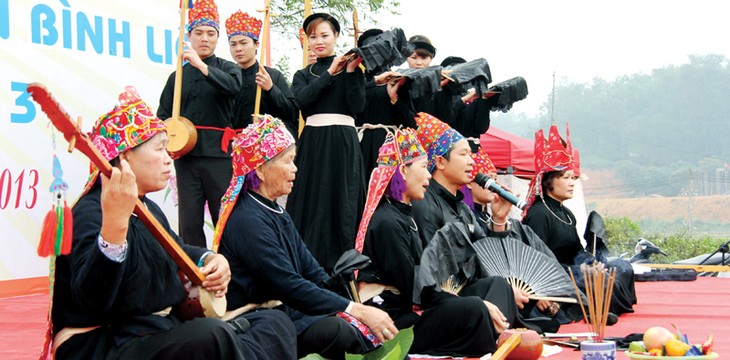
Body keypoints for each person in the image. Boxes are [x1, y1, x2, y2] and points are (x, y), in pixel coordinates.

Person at [50, 87, 296, 359]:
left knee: (272, 322)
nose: (170, 159)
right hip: (105, 343)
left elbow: (175, 250)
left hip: (151, 331)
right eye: (160, 149)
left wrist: (211, 259)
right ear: (125, 157)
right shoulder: (89, 213)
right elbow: (93, 300)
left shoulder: (148, 208)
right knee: (211, 337)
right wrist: (114, 229)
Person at [213, 115, 399, 359]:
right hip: (255, 318)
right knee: (337, 329)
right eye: (289, 161)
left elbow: (311, 270)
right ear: (260, 168)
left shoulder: (274, 209)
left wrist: (350, 305)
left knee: (356, 325)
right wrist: (354, 310)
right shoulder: (247, 219)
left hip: (283, 309)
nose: (295, 169)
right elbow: (287, 283)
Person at [356, 128, 500, 356]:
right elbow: (414, 286)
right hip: (391, 320)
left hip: (410, 307)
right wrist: (469, 301)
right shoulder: (387, 222)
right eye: (424, 168)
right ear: (403, 170)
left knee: (483, 298)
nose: (429, 176)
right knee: (472, 309)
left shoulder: (403, 215)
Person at [409, 112, 523, 338]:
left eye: (471, 155)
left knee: (499, 284)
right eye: (464, 154)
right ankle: (498, 336)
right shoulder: (425, 205)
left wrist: (498, 220)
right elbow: (431, 271)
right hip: (442, 298)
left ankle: (500, 334)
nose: (472, 161)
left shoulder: (462, 208)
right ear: (440, 162)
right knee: (494, 290)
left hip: (468, 290)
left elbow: (485, 257)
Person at [522, 124, 637, 318]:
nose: (572, 182)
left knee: (622, 267)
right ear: (549, 182)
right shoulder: (539, 214)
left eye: (573, 177)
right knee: (601, 281)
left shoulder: (566, 213)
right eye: (565, 177)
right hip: (557, 276)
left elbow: (576, 251)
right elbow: (532, 259)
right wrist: (576, 270)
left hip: (576, 270)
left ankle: (606, 301)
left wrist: (591, 262)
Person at [286, 13, 367, 272]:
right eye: (313, 36)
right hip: (313, 141)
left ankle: (345, 266)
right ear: (307, 40)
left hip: (343, 141)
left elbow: (358, 108)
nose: (319, 41)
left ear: (336, 37)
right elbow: (302, 101)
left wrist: (351, 72)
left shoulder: (353, 70)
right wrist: (330, 73)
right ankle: (305, 263)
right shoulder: (303, 74)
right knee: (310, 198)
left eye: (325, 35)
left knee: (342, 198)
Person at [157, 0, 241, 248]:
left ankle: (231, 275)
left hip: (219, 157)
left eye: (211, 34)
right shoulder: (177, 76)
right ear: (189, 36)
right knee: (189, 222)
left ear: (217, 38)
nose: (204, 38)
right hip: (187, 159)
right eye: (199, 33)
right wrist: (169, 135)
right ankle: (194, 274)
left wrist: (201, 66)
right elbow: (162, 114)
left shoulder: (229, 68)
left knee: (224, 219)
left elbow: (233, 88)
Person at [225, 10, 298, 137]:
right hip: (231, 143)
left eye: (243, 43)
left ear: (256, 44)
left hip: (265, 144)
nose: (238, 48)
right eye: (233, 44)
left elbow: (291, 113)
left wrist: (271, 89)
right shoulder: (225, 76)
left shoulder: (273, 75)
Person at [357, 28, 416, 179]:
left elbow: (410, 121)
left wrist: (394, 98)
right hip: (359, 143)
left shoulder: (400, 81)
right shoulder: (355, 81)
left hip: (388, 145)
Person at [440, 56, 493, 153]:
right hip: (445, 151)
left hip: (470, 152)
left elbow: (481, 128)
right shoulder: (439, 97)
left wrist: (484, 100)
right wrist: (464, 99)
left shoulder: (475, 97)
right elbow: (446, 119)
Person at [404, 35, 456, 123]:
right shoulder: (399, 81)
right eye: (414, 57)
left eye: (424, 58)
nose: (419, 63)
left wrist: (438, 89)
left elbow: (448, 118)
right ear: (406, 58)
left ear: (430, 58)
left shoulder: (441, 83)